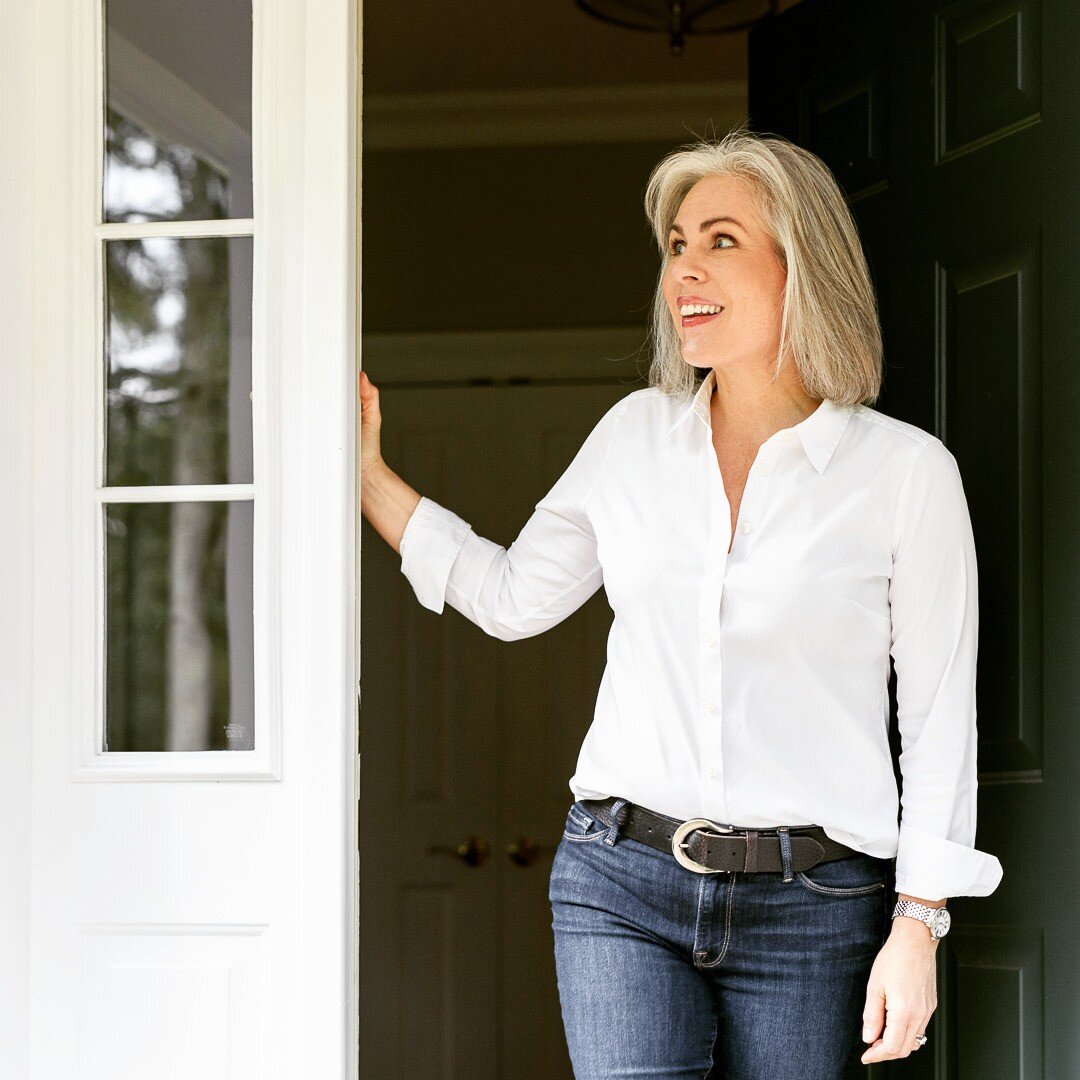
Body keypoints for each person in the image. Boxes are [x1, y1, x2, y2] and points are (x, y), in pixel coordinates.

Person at [358, 126, 1003, 1080]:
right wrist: (369, 477)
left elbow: (942, 712)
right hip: (620, 881)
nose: (683, 270)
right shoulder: (633, 438)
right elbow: (510, 596)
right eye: (674, 245)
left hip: (815, 909)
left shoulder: (904, 474)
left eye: (720, 240)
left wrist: (920, 927)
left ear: (803, 264)